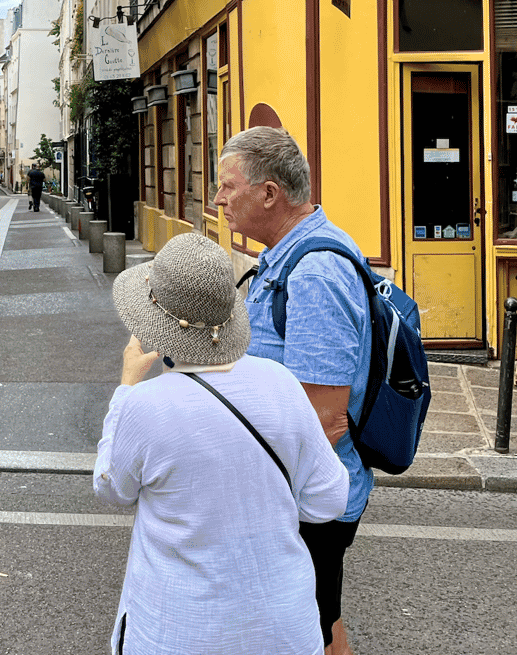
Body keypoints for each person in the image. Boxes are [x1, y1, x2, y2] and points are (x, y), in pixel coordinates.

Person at [94, 233, 349, 655]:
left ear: (155, 326)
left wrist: (125, 387)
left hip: (178, 631)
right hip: (284, 630)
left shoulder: (146, 405)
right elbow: (329, 499)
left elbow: (111, 486)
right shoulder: (281, 383)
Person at [212, 126, 373, 655]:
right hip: (301, 493)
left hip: (308, 501)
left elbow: (323, 421)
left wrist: (260, 500)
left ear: (268, 194)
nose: (218, 199)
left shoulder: (313, 274)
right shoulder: (289, 254)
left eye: (227, 186)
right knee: (321, 622)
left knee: (305, 633)